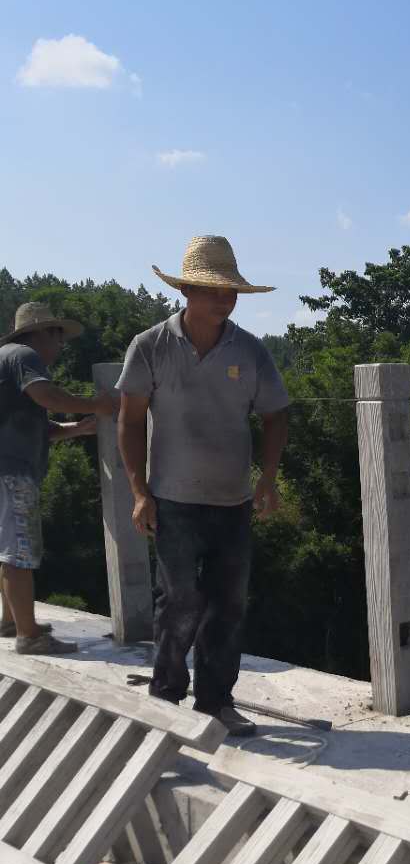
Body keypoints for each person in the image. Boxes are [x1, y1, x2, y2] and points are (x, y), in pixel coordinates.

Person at [117, 236, 289, 737]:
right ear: (188, 290)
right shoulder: (150, 346)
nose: (225, 299)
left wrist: (269, 479)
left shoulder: (250, 350)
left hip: (232, 500)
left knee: (228, 604)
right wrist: (139, 491)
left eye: (231, 291)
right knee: (179, 602)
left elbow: (277, 415)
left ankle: (216, 702)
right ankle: (166, 699)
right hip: (171, 500)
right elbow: (129, 422)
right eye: (214, 290)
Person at [0, 303, 119, 654]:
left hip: (6, 467)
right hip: (13, 472)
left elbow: (38, 429)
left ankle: (11, 621)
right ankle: (29, 636)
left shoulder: (8, 357)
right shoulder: (24, 355)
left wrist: (77, 428)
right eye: (59, 338)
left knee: (7, 551)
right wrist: (95, 405)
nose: (61, 346)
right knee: (20, 551)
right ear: (43, 333)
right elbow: (46, 396)